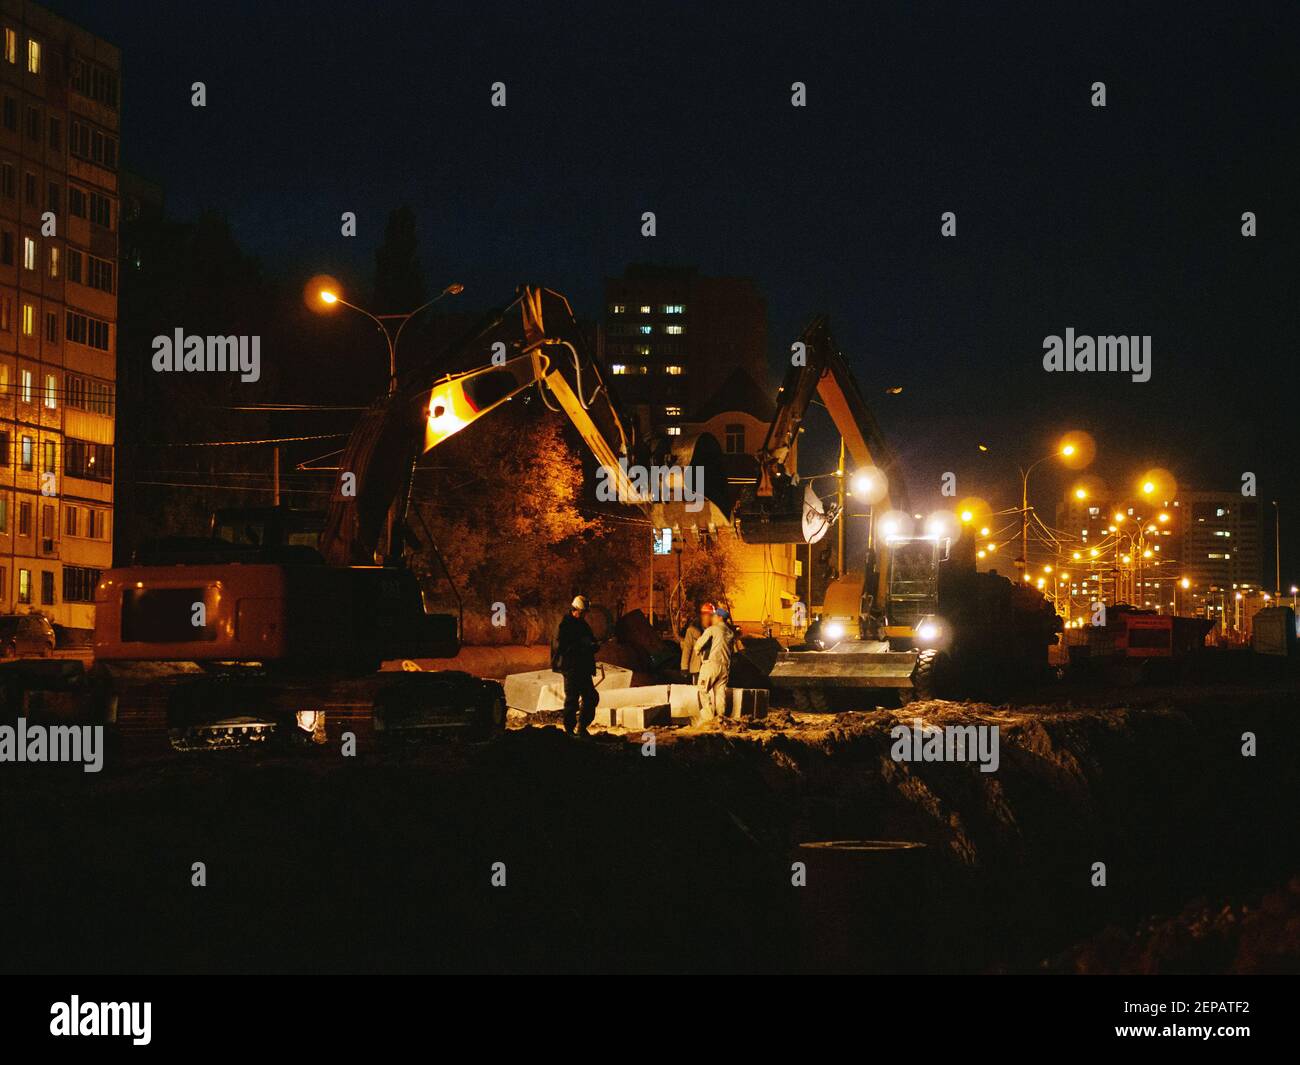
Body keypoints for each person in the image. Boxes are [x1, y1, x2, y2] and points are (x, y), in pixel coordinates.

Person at [552, 595, 599, 736]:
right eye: (583, 612)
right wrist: (583, 647)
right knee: (572, 699)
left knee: (591, 697)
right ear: (575, 609)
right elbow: (560, 647)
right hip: (570, 667)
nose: (585, 615)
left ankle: (581, 727)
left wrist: (593, 646)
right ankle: (569, 731)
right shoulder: (564, 624)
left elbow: (591, 640)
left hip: (582, 668)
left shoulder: (582, 624)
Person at [693, 605, 735, 721]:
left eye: (714, 616)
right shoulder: (730, 633)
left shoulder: (712, 629)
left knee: (702, 689)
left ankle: (708, 719)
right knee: (720, 693)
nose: (713, 618)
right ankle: (721, 718)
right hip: (725, 667)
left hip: (711, 665)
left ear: (719, 617)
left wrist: (697, 651)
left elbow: (698, 645)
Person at [680, 601, 715, 682]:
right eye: (707, 615)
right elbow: (687, 649)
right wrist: (684, 667)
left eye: (711, 615)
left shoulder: (715, 630)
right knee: (697, 691)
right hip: (697, 668)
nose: (709, 618)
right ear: (702, 616)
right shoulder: (691, 631)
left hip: (710, 668)